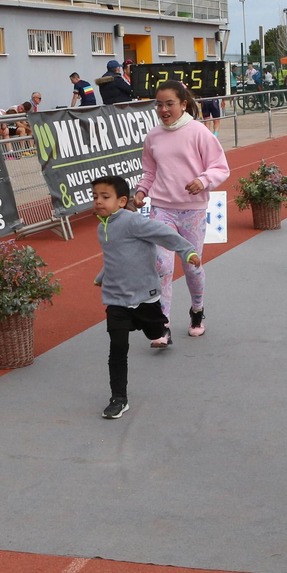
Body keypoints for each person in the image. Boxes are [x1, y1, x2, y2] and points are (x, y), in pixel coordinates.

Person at [91, 174, 201, 419]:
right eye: (95, 196)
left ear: (121, 201)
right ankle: (118, 398)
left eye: (105, 197)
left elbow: (163, 233)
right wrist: (102, 277)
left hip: (145, 297)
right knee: (117, 349)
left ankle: (157, 327)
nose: (98, 201)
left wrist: (187, 251)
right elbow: (114, 256)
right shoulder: (102, 228)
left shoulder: (133, 222)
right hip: (117, 299)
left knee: (155, 332)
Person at [133, 81, 230, 338]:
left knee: (192, 267)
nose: (163, 109)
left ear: (183, 104)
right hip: (162, 209)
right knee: (162, 266)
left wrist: (203, 180)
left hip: (192, 211)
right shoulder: (153, 136)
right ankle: (161, 324)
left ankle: (197, 310)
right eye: (159, 104)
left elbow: (220, 167)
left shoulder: (199, 132)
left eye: (169, 104)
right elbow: (150, 172)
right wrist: (142, 191)